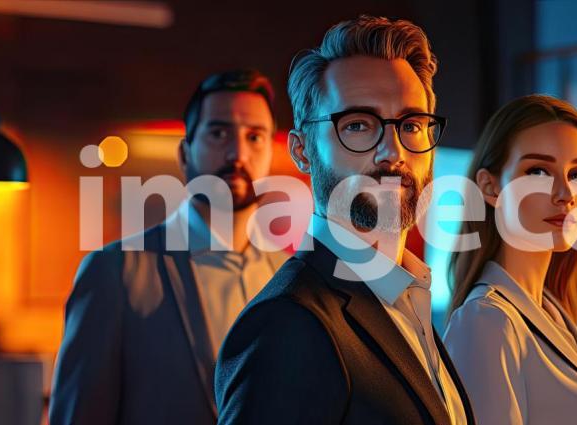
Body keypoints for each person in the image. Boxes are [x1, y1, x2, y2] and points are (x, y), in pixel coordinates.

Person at [214, 16, 473, 425]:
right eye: (358, 125)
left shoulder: (410, 301)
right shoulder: (286, 323)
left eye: (411, 125)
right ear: (302, 151)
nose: (393, 151)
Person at [49, 70, 290, 425]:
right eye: (218, 133)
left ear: (271, 153)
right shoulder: (113, 272)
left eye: (254, 137)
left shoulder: (289, 279)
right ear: (184, 154)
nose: (237, 153)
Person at [443, 94, 577, 425]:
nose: (566, 194)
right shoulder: (485, 321)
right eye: (539, 172)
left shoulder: (553, 314)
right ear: (490, 187)